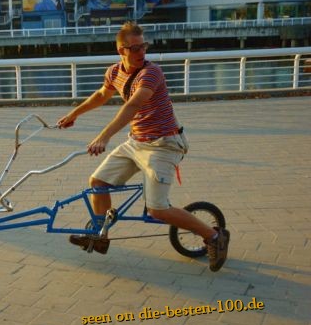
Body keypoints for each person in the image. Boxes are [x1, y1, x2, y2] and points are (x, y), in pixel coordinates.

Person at [56, 22, 230, 272]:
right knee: (98, 183)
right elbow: (101, 95)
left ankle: (214, 237)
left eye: (144, 46)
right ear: (121, 50)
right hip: (136, 141)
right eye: (135, 48)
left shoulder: (152, 73)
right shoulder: (115, 72)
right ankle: (100, 235)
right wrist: (74, 114)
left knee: (157, 210)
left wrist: (103, 137)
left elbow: (133, 105)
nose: (141, 52)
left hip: (164, 145)